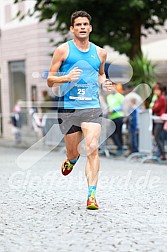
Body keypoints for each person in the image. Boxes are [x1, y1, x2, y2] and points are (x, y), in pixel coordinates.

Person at [47, 10, 112, 210]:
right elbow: (50, 80)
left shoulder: (100, 53)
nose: (82, 27)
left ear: (90, 28)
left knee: (92, 148)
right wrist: (66, 78)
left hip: (91, 106)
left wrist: (105, 82)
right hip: (69, 108)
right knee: (73, 151)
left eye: (85, 24)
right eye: (78, 25)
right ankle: (71, 159)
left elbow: (100, 75)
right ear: (72, 29)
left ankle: (91, 195)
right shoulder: (63, 51)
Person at [106, 84, 124, 156]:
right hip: (112, 117)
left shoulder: (120, 96)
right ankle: (119, 147)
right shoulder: (108, 97)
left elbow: (123, 106)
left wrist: (113, 110)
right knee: (111, 133)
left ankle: (120, 148)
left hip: (119, 116)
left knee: (118, 133)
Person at [152, 82, 167, 161]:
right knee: (159, 138)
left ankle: (162, 154)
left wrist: (154, 104)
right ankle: (161, 154)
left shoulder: (161, 98)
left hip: (160, 120)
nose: (155, 91)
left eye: (156, 90)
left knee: (157, 137)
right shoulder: (159, 98)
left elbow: (155, 108)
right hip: (158, 119)